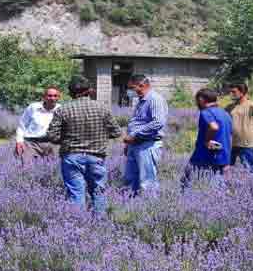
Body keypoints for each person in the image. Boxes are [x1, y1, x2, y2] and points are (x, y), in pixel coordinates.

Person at [46, 77, 122, 216]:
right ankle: (100, 223)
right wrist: (100, 137)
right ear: (89, 91)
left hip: (71, 156)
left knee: (75, 193)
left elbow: (52, 136)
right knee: (98, 192)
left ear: (70, 92)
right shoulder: (102, 108)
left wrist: (67, 139)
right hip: (96, 156)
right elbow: (116, 132)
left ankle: (77, 224)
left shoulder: (62, 110)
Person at [122, 73, 168, 195]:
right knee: (131, 181)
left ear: (141, 85)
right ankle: (131, 204)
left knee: (147, 183)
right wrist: (128, 144)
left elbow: (158, 122)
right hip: (135, 145)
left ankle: (149, 205)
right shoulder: (141, 101)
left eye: (132, 88)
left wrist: (135, 135)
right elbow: (137, 122)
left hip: (147, 145)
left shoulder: (154, 99)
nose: (130, 92)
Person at [183, 88, 233, 186]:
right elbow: (230, 135)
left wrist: (207, 141)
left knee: (187, 182)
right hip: (223, 156)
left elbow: (214, 127)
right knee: (219, 187)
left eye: (197, 100)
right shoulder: (225, 114)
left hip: (205, 156)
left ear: (201, 99)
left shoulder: (206, 112)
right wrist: (228, 157)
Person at [225, 82, 253, 172]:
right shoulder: (229, 107)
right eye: (230, 92)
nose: (231, 94)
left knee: (249, 168)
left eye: (234, 92)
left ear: (242, 92)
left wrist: (250, 129)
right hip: (231, 143)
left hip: (246, 144)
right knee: (226, 168)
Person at [15, 86, 62, 159]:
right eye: (49, 96)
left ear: (59, 97)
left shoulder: (61, 109)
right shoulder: (33, 107)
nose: (52, 98)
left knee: (55, 165)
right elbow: (22, 125)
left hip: (53, 145)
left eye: (55, 96)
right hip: (32, 144)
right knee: (27, 165)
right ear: (44, 97)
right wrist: (19, 141)